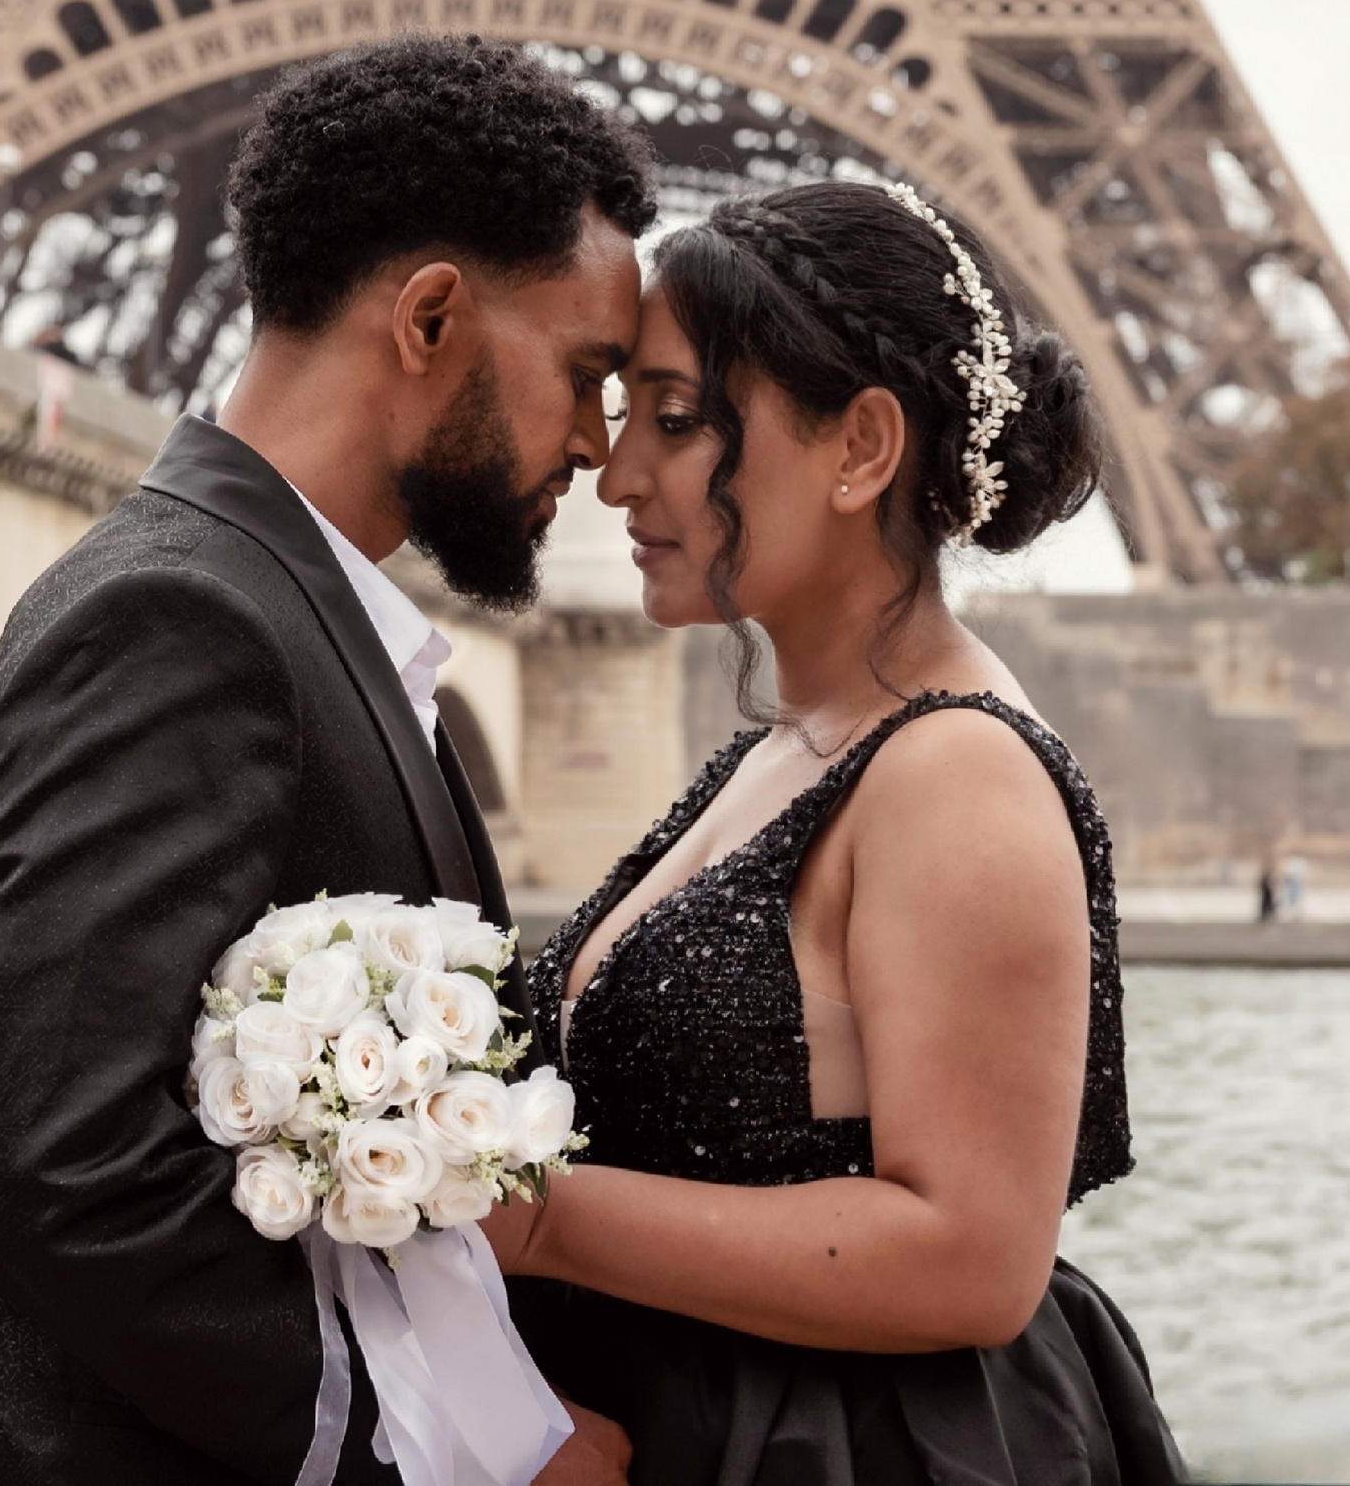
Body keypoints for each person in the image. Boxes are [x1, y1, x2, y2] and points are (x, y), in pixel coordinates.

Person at [0, 35, 653, 1486]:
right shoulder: (176, 618)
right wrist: (450, 1460)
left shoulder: (289, 613)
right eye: (586, 373)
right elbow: (72, 1173)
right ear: (430, 315)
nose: (597, 444)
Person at [488, 181, 1185, 1485]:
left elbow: (973, 1260)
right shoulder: (804, 742)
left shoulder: (954, 771)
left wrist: (526, 1220)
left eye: (681, 421)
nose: (619, 474)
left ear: (863, 446)